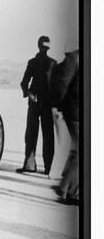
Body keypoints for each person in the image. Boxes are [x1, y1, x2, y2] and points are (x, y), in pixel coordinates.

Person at [17, 36, 56, 175]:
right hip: (41, 103)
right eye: (44, 46)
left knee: (42, 135)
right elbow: (24, 83)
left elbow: (24, 83)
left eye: (45, 47)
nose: (44, 49)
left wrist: (29, 94)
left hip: (41, 103)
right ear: (41, 46)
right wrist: (29, 94)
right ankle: (46, 167)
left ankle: (38, 166)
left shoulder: (39, 63)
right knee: (38, 135)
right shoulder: (50, 63)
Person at [50, 43, 79, 204]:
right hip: (74, 112)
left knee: (77, 151)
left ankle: (67, 187)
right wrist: (57, 107)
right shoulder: (74, 59)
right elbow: (62, 86)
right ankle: (68, 190)